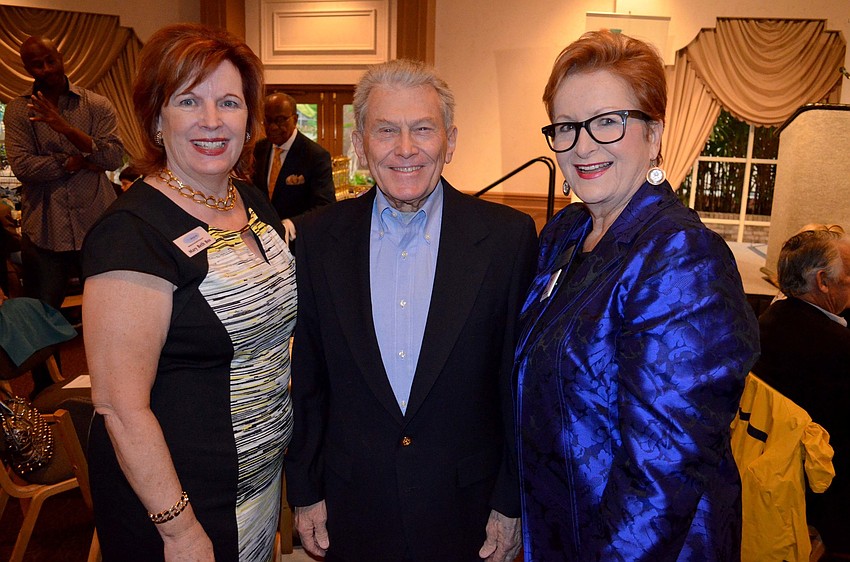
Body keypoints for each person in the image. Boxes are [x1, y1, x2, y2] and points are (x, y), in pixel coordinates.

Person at [515, 30, 760, 560]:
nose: (582, 145)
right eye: (566, 126)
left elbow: (662, 470)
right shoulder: (565, 235)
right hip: (557, 531)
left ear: (654, 133)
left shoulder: (681, 255)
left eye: (607, 122)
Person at [286, 59, 538, 562]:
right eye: (386, 131)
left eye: (423, 129)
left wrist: (510, 501)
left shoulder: (508, 239)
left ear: (451, 141)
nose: (405, 149)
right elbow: (309, 378)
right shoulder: (317, 239)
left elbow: (518, 384)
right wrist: (306, 488)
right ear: (360, 144)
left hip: (469, 509)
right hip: (352, 507)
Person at [81, 23, 296, 561]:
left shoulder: (248, 201)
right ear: (157, 118)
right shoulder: (131, 233)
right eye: (188, 100)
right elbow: (120, 406)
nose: (212, 120)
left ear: (249, 119)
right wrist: (178, 530)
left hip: (257, 485)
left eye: (229, 101)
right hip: (179, 504)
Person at [3, 36, 124, 310]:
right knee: (42, 317)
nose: (46, 69)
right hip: (45, 230)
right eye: (36, 65)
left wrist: (66, 128)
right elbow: (23, 167)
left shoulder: (95, 104)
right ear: (26, 69)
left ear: (61, 58)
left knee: (110, 308)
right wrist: (76, 161)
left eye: (50, 61)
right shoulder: (18, 110)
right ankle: (50, 357)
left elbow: (114, 156)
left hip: (96, 225)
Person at [752, 229, 850, 557]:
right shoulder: (837, 351)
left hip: (766, 488)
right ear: (823, 281)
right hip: (820, 496)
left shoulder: (763, 324)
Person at [251, 92, 335, 242]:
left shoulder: (315, 156)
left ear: (295, 120)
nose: (273, 127)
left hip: (299, 242)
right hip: (263, 241)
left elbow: (325, 206)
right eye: (268, 121)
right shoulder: (258, 150)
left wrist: (293, 224)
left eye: (280, 120)